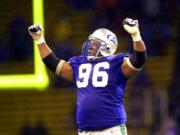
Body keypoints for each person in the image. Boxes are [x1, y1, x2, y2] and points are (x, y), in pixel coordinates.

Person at [28, 17, 147, 135]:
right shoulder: (79, 63)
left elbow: (139, 59)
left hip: (111, 129)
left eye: (94, 42)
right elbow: (53, 63)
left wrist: (136, 35)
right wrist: (39, 40)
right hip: (86, 131)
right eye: (90, 42)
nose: (89, 45)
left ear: (107, 47)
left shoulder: (116, 62)